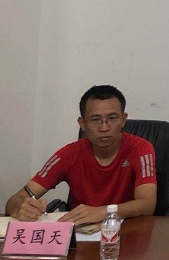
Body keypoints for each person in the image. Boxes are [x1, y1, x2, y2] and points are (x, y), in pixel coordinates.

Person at [5, 85, 157, 224]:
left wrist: (102, 212)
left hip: (129, 231)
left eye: (112, 118)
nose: (104, 128)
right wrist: (22, 208)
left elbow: (147, 204)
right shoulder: (68, 154)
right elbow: (15, 200)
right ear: (82, 123)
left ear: (123, 120)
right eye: (95, 120)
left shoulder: (141, 149)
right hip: (81, 233)